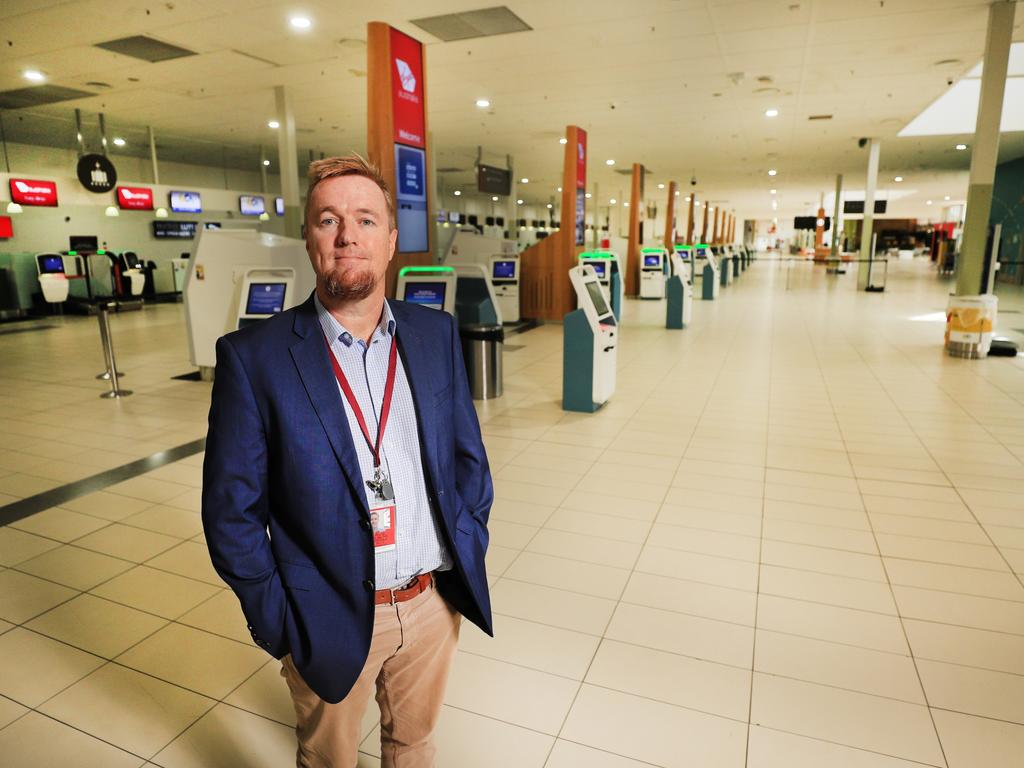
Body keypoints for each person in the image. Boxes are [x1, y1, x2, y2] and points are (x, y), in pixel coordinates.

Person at [202, 154, 493, 768]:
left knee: (413, 746)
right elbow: (231, 515)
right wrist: (280, 623)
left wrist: (466, 544)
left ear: (390, 240)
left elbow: (468, 460)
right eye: (328, 219)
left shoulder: (434, 333)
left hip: (431, 600)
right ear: (308, 238)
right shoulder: (255, 358)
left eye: (365, 219)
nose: (347, 236)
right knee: (327, 759)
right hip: (324, 613)